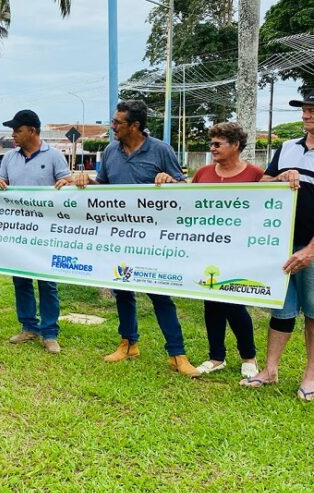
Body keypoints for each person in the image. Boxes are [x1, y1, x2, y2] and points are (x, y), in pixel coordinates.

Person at [75, 99, 200, 376]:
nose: (112, 127)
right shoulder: (110, 152)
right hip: (120, 236)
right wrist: (85, 181)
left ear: (135, 125)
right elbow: (103, 188)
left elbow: (183, 188)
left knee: (159, 294)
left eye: (118, 122)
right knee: (122, 289)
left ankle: (177, 353)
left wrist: (171, 181)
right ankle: (128, 343)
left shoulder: (161, 150)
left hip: (152, 239)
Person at [241, 88, 314, 400]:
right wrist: (281, 176)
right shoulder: (286, 148)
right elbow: (263, 184)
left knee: (313, 313)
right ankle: (270, 370)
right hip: (282, 245)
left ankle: (311, 376)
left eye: (312, 110)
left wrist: (310, 250)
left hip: (310, 250)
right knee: (281, 310)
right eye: (304, 109)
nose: (305, 114)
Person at [0, 110, 73, 354]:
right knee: (21, 279)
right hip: (19, 230)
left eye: (17, 130)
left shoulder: (55, 156)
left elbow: (67, 185)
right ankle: (28, 326)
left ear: (32, 131)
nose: (13, 135)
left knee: (47, 282)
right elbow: (2, 185)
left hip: (47, 231)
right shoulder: (9, 158)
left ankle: (50, 332)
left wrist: (67, 183)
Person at [191, 122, 263, 377]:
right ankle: (216, 357)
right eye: (211, 143)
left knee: (233, 303)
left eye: (218, 144)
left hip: (240, 251)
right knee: (211, 303)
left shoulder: (255, 175)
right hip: (208, 250)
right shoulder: (202, 174)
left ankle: (249, 357)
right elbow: (188, 206)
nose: (212, 148)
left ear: (235, 145)